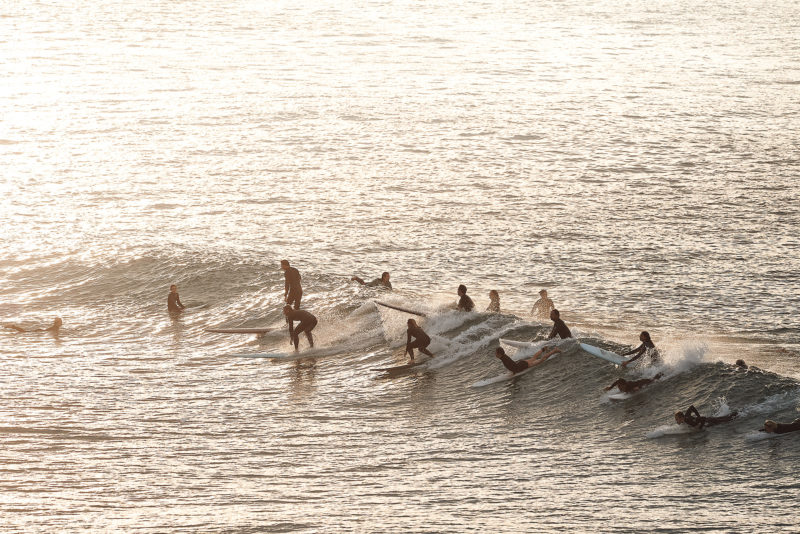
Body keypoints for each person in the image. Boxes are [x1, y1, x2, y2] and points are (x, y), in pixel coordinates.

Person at [494, 346, 561, 375]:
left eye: (496, 353)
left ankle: (554, 350)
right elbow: (511, 364)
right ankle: (543, 349)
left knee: (541, 360)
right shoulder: (504, 356)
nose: (495, 354)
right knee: (534, 358)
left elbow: (512, 366)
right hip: (520, 363)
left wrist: (514, 373)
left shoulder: (504, 359)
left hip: (522, 365)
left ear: (499, 354)